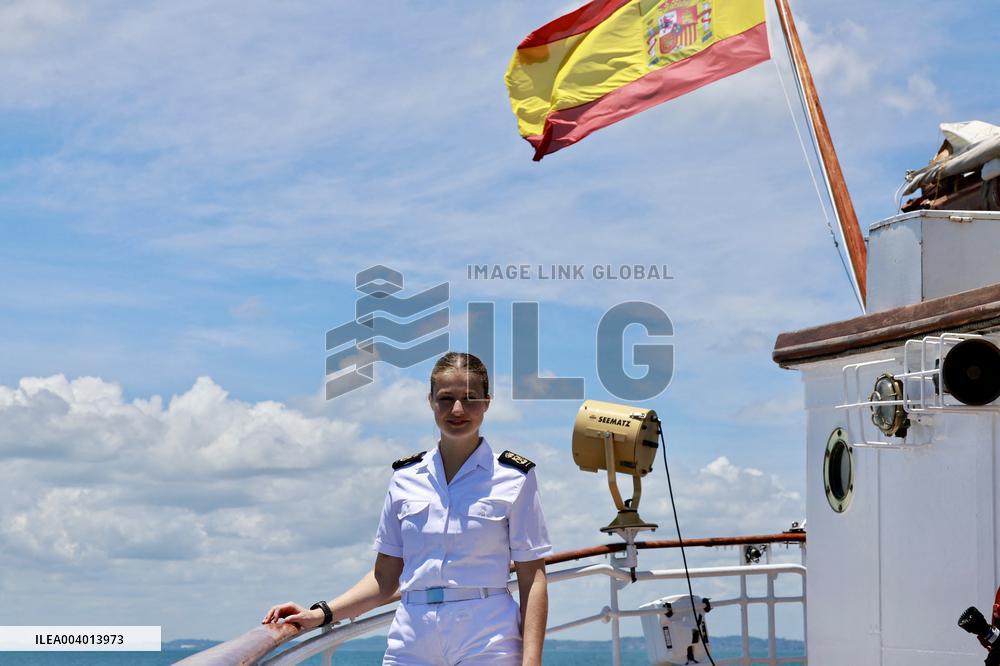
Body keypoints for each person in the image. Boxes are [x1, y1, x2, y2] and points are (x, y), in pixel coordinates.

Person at [262, 352, 552, 665]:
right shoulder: (405, 477)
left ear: (487, 403)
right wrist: (322, 614)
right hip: (412, 637)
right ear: (431, 401)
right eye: (446, 398)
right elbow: (385, 577)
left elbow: (532, 578)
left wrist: (531, 660)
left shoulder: (514, 477)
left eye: (470, 398)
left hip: (486, 634)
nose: (457, 409)